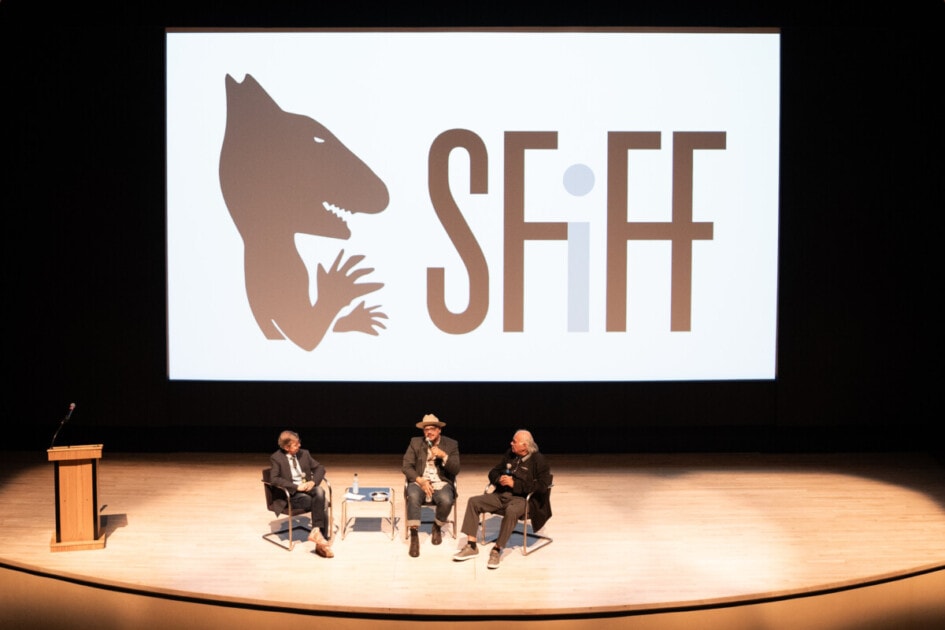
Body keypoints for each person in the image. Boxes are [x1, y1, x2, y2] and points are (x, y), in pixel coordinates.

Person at [453, 429, 552, 569]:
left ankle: (497, 550)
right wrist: (499, 479)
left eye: (514, 442)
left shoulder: (538, 460)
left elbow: (542, 486)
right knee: (473, 501)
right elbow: (493, 471)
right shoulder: (510, 454)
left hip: (523, 500)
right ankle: (471, 545)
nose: (511, 443)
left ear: (525, 445)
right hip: (501, 495)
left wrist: (515, 484)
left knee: (511, 511)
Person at [402, 413, 460, 557]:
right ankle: (414, 536)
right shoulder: (415, 443)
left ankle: (437, 526)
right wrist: (420, 481)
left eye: (432, 428)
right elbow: (406, 466)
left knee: (447, 500)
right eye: (426, 429)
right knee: (413, 495)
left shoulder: (451, 444)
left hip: (441, 482)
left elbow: (456, 469)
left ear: (439, 430)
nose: (429, 432)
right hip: (420, 480)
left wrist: (444, 456)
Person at [268, 430, 334, 558]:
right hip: (292, 494)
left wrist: (313, 482)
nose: (299, 446)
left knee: (320, 491)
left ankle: (316, 532)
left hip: (308, 488)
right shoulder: (276, 458)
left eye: (299, 443)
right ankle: (322, 543)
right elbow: (274, 479)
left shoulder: (304, 454)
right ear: (287, 447)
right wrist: (297, 486)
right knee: (322, 502)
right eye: (295, 444)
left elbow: (320, 468)